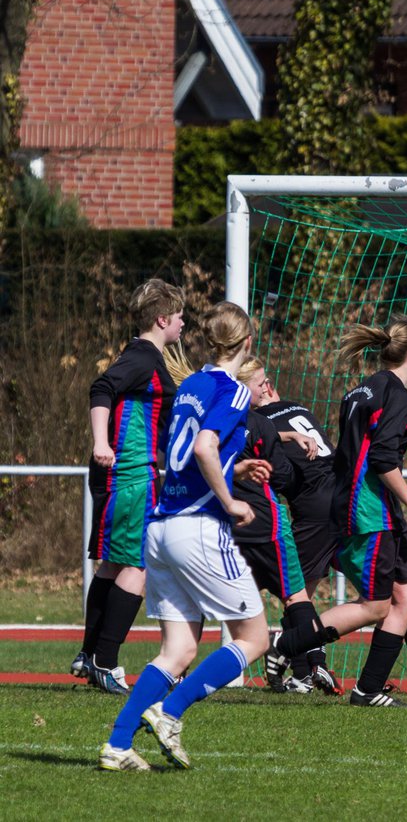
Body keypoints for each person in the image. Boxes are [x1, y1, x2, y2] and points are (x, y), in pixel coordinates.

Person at [98, 302, 270, 772]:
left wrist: (236, 467)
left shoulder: (191, 383)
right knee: (255, 638)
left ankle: (117, 744)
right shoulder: (233, 390)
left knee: (179, 650)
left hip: (161, 526)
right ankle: (169, 712)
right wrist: (232, 501)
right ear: (247, 342)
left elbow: (190, 451)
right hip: (198, 528)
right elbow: (203, 445)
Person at [265, 314, 407, 707]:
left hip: (367, 507)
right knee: (376, 604)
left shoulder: (360, 390)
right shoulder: (399, 397)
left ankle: (368, 689)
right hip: (368, 512)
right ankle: (288, 642)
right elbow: (381, 457)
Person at [76, 279, 185, 694]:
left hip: (128, 473)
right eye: (179, 318)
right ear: (162, 319)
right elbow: (102, 387)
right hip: (131, 472)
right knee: (137, 565)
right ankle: (106, 662)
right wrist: (101, 442)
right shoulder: (142, 356)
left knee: (113, 564)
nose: (182, 326)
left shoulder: (143, 356)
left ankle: (89, 655)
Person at [232, 357, 342, 695]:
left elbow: (280, 472)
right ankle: (302, 662)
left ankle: (293, 656)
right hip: (337, 498)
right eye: (260, 382)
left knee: (296, 593)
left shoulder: (254, 420)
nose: (266, 386)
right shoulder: (291, 410)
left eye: (267, 381)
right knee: (300, 592)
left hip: (308, 509)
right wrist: (288, 435)